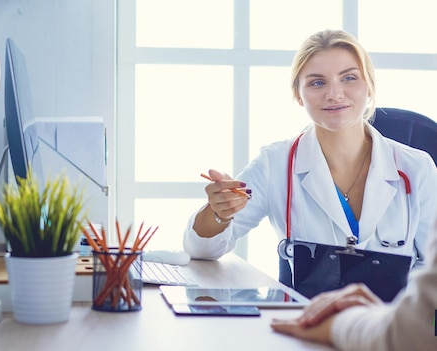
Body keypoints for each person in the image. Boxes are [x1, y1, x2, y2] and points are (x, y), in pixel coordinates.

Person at [183, 29, 437, 290]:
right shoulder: (276, 163)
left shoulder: (416, 168)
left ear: (369, 86)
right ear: (297, 94)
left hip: (394, 323)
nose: (334, 94)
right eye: (317, 82)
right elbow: (201, 250)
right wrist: (219, 213)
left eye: (349, 78)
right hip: (309, 322)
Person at [270, 220, 437, 350]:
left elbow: (421, 331)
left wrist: (339, 323)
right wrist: (392, 316)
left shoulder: (421, 176)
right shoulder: (274, 176)